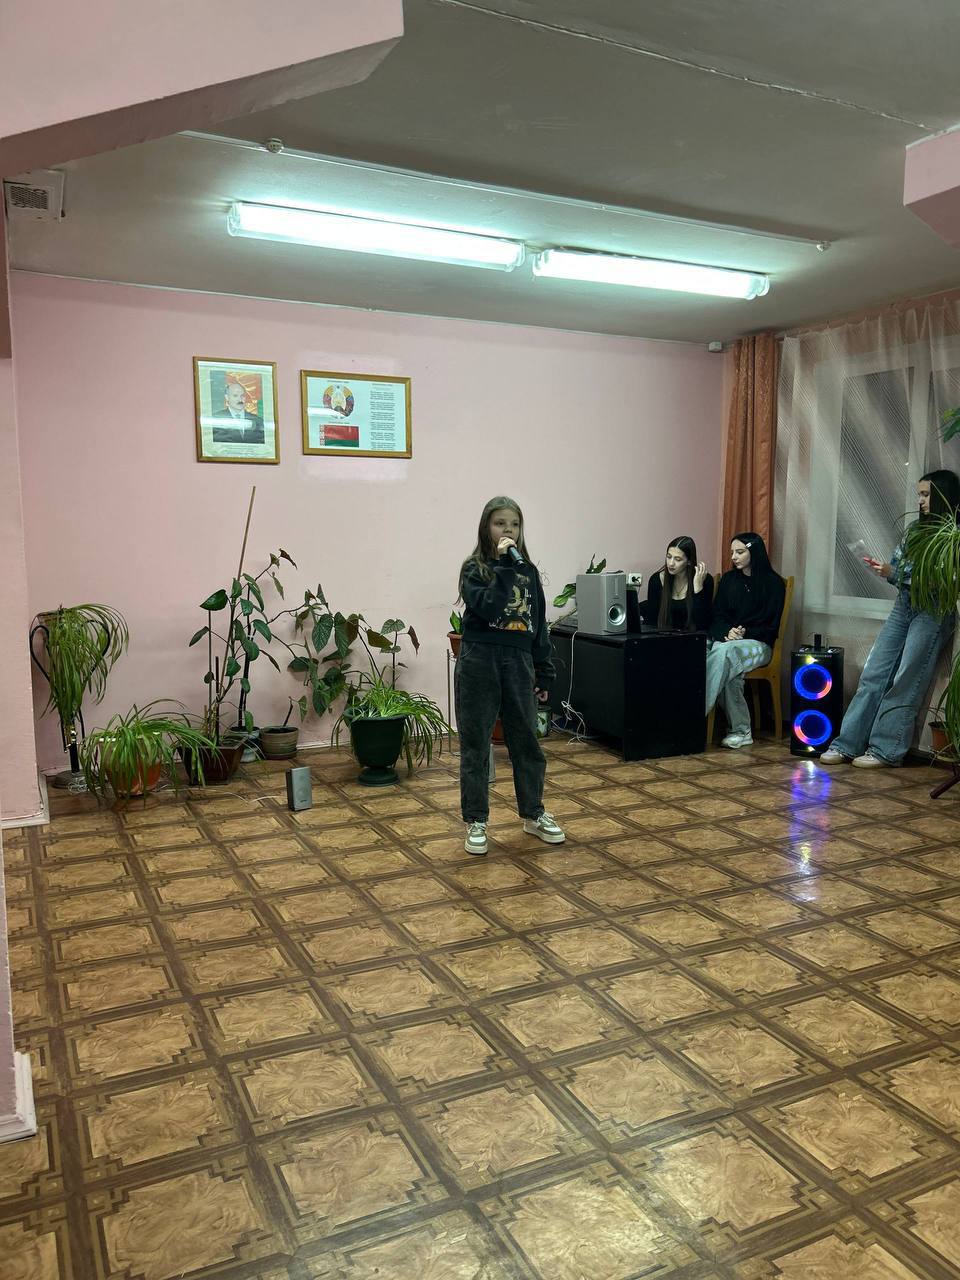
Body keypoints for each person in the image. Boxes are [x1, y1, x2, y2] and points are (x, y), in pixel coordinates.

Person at [820, 470, 960, 768]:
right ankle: (846, 744)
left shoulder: (954, 536)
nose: (920, 501)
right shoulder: (916, 530)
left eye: (926, 494)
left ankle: (885, 749)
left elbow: (943, 579)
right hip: (904, 605)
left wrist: (894, 572)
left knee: (906, 679)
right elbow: (899, 567)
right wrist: (889, 571)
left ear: (943, 496)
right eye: (919, 494)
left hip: (933, 611)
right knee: (873, 674)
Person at [456, 496, 565, 856]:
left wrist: (544, 670)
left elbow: (538, 623)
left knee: (526, 742)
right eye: (500, 523)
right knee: (476, 743)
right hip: (479, 659)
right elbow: (489, 607)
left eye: (514, 524)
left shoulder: (528, 571)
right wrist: (504, 565)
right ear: (486, 527)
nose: (508, 530)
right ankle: (476, 820)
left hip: (518, 662)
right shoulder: (474, 568)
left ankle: (533, 814)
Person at [706, 531, 786, 749]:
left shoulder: (773, 583)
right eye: (732, 552)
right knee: (729, 669)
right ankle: (741, 731)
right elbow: (716, 617)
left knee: (725, 654)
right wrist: (728, 632)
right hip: (728, 642)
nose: (734, 557)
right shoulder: (728, 580)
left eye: (740, 552)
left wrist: (744, 633)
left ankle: (693, 714)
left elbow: (771, 627)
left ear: (754, 552)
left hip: (759, 645)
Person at [642, 535, 713, 631]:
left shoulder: (705, 580)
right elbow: (651, 621)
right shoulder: (656, 580)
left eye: (678, 559)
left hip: (693, 636)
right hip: (663, 636)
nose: (671, 563)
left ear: (689, 561)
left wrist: (698, 589)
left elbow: (704, 624)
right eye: (669, 557)